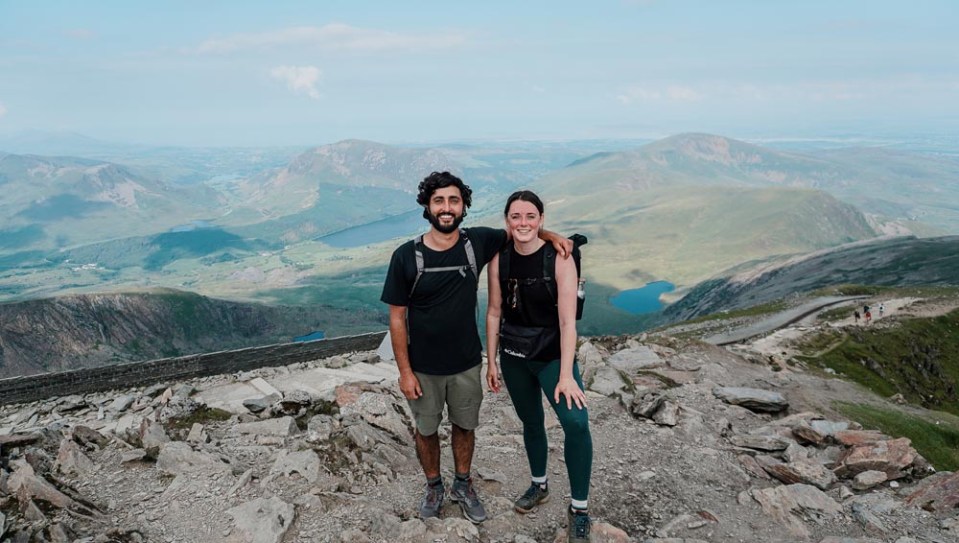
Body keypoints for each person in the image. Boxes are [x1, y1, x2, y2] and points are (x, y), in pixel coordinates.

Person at [380, 172, 571, 524]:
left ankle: (463, 484)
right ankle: (434, 485)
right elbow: (396, 319)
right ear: (427, 206)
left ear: (464, 206)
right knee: (426, 430)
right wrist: (404, 372)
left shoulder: (478, 242)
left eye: (454, 200)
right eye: (439, 201)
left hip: (467, 362)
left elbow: (521, 229)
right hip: (422, 366)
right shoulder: (406, 256)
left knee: (465, 426)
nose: (447, 208)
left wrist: (552, 235)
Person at [485, 190, 593, 543]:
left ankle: (579, 508)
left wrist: (566, 374)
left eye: (530, 216)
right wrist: (492, 361)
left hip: (550, 356)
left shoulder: (560, 258)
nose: (523, 223)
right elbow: (495, 311)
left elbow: (567, 322)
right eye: (515, 217)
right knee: (531, 422)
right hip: (514, 356)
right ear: (506, 221)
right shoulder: (499, 259)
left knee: (575, 423)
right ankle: (539, 485)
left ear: (541, 219)